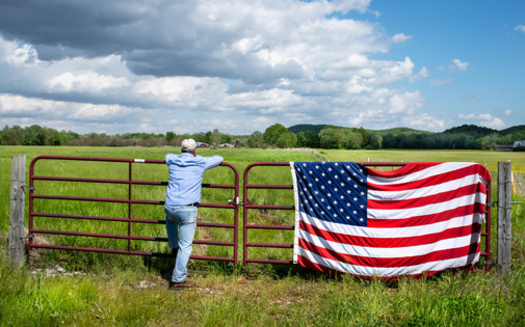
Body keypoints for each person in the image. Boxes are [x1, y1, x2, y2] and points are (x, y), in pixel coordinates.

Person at [164, 138, 223, 290]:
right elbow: (219, 158)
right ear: (194, 150)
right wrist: (199, 158)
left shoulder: (172, 160)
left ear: (181, 149)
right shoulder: (200, 162)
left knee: (171, 222)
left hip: (170, 205)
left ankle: (173, 245)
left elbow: (167, 156)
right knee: (186, 245)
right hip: (187, 208)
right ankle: (178, 279)